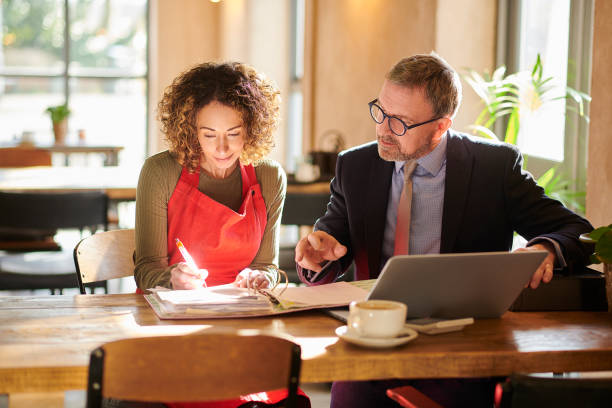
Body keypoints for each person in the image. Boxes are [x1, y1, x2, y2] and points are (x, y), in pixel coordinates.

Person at [295, 53, 594, 408]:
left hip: (461, 347)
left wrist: (544, 248)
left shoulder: (493, 168)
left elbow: (576, 230)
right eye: (381, 112)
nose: (383, 130)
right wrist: (316, 256)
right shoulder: (355, 165)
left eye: (400, 122)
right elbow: (330, 240)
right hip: (371, 345)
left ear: (441, 126)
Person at [133, 61, 309, 408]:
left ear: (252, 129)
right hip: (174, 323)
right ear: (190, 130)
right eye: (209, 134)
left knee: (283, 394)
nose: (223, 148)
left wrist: (262, 276)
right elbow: (146, 269)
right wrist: (172, 279)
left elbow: (270, 267)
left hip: (244, 323)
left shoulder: (270, 177)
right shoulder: (160, 172)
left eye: (234, 133)